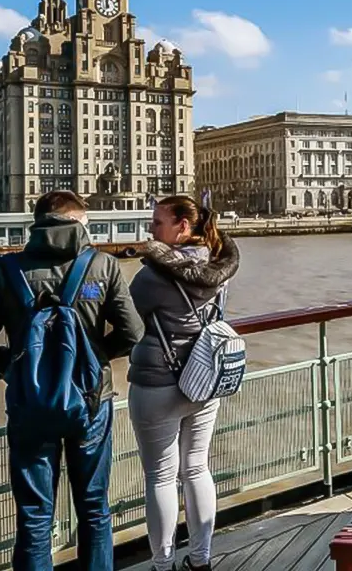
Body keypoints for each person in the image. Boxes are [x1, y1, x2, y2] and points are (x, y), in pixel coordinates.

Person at [0, 190, 144, 571]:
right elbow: (134, 333)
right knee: (94, 508)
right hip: (91, 403)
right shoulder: (102, 266)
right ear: (78, 223)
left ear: (38, 222)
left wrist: (15, 369)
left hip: (30, 406)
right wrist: (92, 363)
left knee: (34, 515)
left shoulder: (6, 270)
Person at [127, 196, 241, 571]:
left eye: (158, 222)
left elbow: (129, 321)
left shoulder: (149, 278)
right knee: (196, 467)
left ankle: (162, 564)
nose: (151, 229)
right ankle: (201, 559)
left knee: (160, 476)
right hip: (204, 377)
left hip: (157, 382)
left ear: (182, 227)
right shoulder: (218, 266)